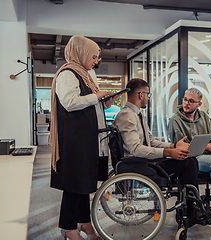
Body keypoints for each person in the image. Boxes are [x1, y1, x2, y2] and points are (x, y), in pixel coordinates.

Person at [49, 35, 124, 240]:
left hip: (89, 139)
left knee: (85, 184)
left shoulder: (86, 74)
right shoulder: (68, 73)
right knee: (74, 185)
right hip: (76, 140)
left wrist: (106, 102)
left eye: (98, 57)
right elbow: (70, 102)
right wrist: (97, 96)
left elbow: (90, 104)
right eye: (94, 56)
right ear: (81, 53)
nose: (96, 61)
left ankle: (84, 223)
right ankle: (68, 227)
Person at [113, 78, 211, 226]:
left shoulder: (136, 114)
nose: (148, 97)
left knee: (188, 160)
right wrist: (167, 153)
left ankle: (191, 207)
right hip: (138, 165)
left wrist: (173, 146)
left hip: (144, 162)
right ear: (141, 95)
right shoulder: (128, 116)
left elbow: (150, 141)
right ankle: (191, 210)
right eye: (148, 94)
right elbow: (136, 149)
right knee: (189, 163)